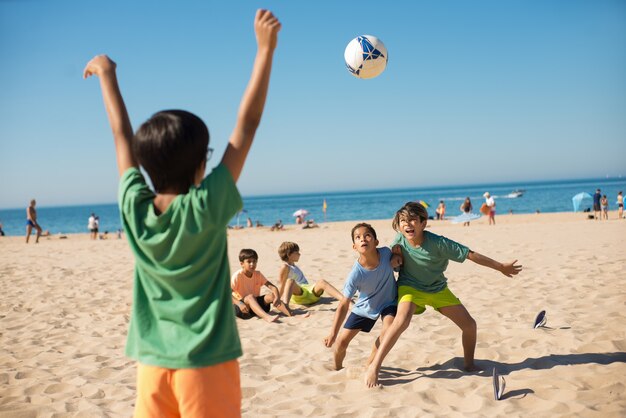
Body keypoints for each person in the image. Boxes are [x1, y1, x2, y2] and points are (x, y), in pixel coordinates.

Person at [83, 9, 281, 417]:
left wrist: (107, 73)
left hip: (152, 364)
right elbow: (249, 124)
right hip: (207, 363)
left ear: (145, 164)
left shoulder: (135, 206)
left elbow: (120, 134)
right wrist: (265, 50)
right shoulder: (206, 205)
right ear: (200, 167)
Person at [364, 202, 522, 388]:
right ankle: (374, 366)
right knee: (401, 321)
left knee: (470, 326)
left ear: (423, 223)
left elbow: (470, 255)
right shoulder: (398, 242)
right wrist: (395, 260)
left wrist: (500, 267)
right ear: (398, 225)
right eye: (403, 221)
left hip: (438, 289)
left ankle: (469, 364)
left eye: (413, 220)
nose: (408, 224)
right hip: (410, 288)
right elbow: (389, 265)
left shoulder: (439, 243)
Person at [323, 223, 401, 370]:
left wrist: (397, 256)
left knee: (388, 329)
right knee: (341, 343)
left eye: (367, 236)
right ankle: (337, 367)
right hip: (365, 307)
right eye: (358, 238)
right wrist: (333, 333)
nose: (363, 239)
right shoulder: (355, 274)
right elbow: (344, 304)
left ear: (376, 242)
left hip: (389, 302)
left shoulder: (385, 253)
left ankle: (369, 364)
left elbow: (398, 255)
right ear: (354, 247)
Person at [278, 241, 344, 310]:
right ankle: (285, 306)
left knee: (322, 281)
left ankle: (344, 300)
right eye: (296, 252)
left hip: (309, 294)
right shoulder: (285, 267)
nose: (299, 254)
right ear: (289, 254)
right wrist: (278, 299)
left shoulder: (294, 266)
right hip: (299, 295)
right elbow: (282, 285)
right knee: (290, 281)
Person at [231, 248, 291, 322]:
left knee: (271, 296)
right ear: (242, 264)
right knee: (250, 297)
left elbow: (273, 287)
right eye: (249, 262)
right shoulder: (237, 276)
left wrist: (277, 297)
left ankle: (290, 314)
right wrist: (239, 304)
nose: (252, 264)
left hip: (256, 306)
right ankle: (267, 317)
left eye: (254, 261)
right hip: (242, 309)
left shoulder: (258, 274)